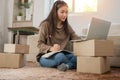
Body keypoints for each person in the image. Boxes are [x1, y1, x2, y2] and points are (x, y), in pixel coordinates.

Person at [36, 0, 80, 71]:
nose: (65, 15)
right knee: (60, 57)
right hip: (46, 57)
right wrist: (51, 48)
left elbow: (76, 38)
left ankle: (66, 66)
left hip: (62, 54)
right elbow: (39, 44)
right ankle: (70, 65)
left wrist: (88, 40)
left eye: (66, 12)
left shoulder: (67, 26)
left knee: (78, 57)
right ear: (55, 12)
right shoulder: (45, 25)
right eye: (62, 12)